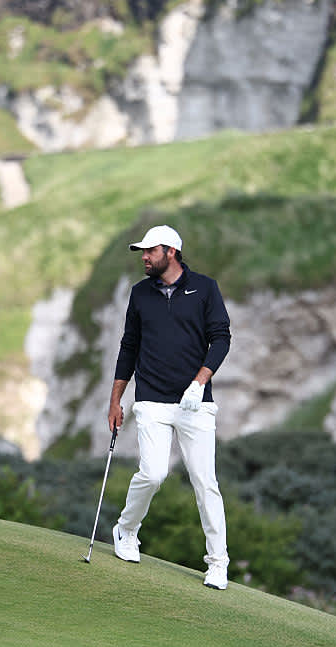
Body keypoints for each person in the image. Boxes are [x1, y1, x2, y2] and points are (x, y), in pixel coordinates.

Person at [107, 224, 232, 590]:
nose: (144, 257)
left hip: (195, 403)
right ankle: (126, 531)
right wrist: (116, 401)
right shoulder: (140, 293)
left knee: (205, 482)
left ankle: (218, 563)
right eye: (142, 252)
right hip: (151, 400)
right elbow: (129, 347)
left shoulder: (205, 288)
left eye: (150, 251)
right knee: (154, 473)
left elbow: (221, 338)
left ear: (171, 252)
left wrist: (200, 382)